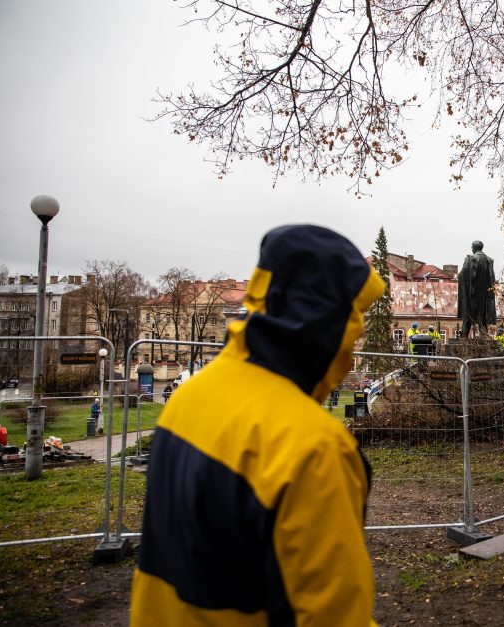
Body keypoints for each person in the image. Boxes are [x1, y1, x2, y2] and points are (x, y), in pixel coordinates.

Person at [130, 225, 384, 627]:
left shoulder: (189, 398)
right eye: (355, 317)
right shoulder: (313, 447)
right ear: (329, 321)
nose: (359, 337)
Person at [457, 240, 497, 338]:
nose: (471, 249)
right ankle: (484, 337)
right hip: (485, 297)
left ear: (474, 248)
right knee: (483, 317)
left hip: (472, 295)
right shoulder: (489, 260)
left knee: (468, 316)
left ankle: (464, 336)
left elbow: (463, 274)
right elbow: (492, 278)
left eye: (472, 247)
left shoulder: (470, 258)